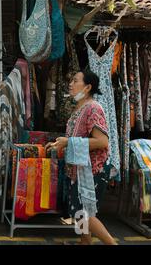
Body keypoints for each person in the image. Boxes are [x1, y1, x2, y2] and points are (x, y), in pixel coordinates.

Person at [46, 69, 117, 245]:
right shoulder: (79, 109)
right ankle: (84, 242)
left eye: (75, 80)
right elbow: (77, 138)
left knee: (86, 213)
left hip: (92, 170)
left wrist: (68, 142)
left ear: (87, 87)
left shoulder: (93, 108)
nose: (70, 83)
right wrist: (59, 144)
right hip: (79, 169)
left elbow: (102, 142)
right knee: (79, 212)